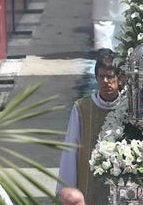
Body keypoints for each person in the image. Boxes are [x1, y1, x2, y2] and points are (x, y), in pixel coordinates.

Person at [56, 52, 124, 205]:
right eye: (101, 77)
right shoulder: (82, 108)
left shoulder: (128, 108)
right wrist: (67, 191)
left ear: (120, 80)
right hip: (88, 185)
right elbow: (70, 149)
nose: (106, 81)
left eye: (110, 77)